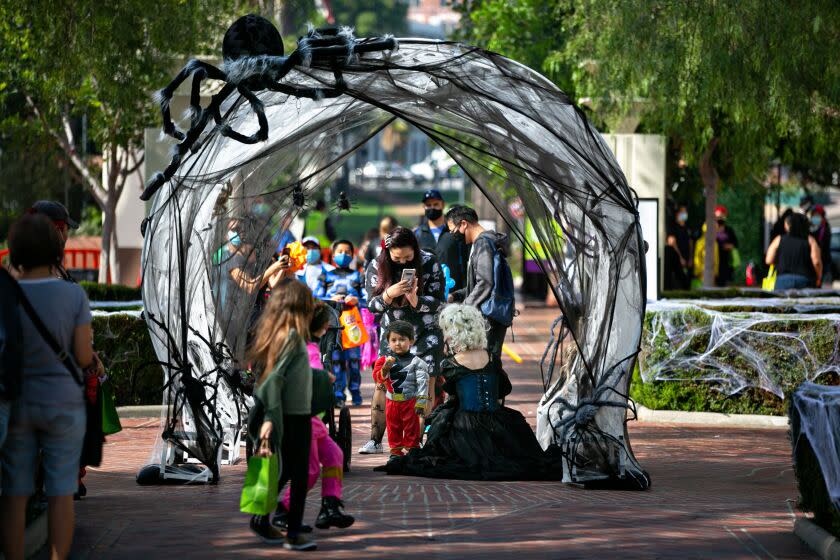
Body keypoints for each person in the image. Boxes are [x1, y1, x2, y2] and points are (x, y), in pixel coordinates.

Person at [1, 213, 94, 560]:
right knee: (60, 493)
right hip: (64, 405)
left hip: (19, 403)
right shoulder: (73, 296)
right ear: (57, 251)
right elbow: (83, 356)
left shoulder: (6, 295)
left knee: (14, 494)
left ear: (15, 252)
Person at [377, 305, 559, 481]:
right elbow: (503, 390)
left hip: (466, 430)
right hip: (500, 425)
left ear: (454, 333)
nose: (445, 336)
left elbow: (454, 397)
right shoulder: (491, 357)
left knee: (442, 435)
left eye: (447, 331)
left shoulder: (452, 363)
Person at [359, 227, 445, 455]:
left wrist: (416, 300)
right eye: (397, 259)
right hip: (394, 334)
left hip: (426, 333)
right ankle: (375, 440)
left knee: (426, 383)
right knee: (383, 381)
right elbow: (371, 306)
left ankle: (419, 442)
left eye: (408, 257)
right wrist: (390, 293)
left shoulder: (429, 262)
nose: (403, 262)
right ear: (388, 253)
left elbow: (439, 303)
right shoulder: (377, 266)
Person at [247, 279, 316, 551]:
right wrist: (270, 419)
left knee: (285, 471)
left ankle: (262, 519)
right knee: (297, 474)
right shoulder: (291, 338)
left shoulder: (280, 335)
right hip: (291, 417)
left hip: (290, 414)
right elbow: (274, 380)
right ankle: (293, 532)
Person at [273, 304, 354, 533]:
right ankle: (284, 511)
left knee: (335, 455)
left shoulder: (309, 347)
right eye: (325, 323)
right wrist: (323, 377)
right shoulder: (303, 349)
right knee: (309, 471)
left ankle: (329, 506)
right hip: (303, 418)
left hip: (313, 420)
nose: (328, 326)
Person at [445, 205, 511, 358]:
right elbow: (479, 281)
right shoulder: (484, 242)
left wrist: (464, 310)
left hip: (489, 317)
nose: (453, 235)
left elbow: (485, 283)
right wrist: (455, 296)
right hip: (491, 314)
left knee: (488, 363)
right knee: (489, 362)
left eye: (453, 230)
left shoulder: (483, 244)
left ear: (463, 224)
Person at [372, 321, 429, 460]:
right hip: (391, 401)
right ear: (388, 341)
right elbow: (378, 379)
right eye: (394, 340)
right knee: (393, 427)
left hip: (410, 401)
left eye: (402, 339)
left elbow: (423, 383)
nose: (398, 343)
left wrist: (421, 403)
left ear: (411, 341)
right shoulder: (383, 360)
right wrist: (386, 368)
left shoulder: (418, 362)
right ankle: (395, 453)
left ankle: (412, 451)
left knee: (412, 428)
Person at [324, 239, 366, 406]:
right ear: (333, 255)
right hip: (332, 324)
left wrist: (357, 300)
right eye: (339, 252)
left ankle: (355, 392)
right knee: (336, 360)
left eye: (347, 252)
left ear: (352, 254)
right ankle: (338, 394)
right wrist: (330, 299)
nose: (343, 255)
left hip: (352, 323)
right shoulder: (326, 275)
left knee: (354, 361)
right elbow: (317, 296)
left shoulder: (358, 275)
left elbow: (366, 297)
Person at [414, 189, 470, 292]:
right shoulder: (417, 234)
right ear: (424, 207)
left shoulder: (455, 230)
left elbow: (466, 258)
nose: (432, 207)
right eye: (428, 205)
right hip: (427, 293)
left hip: (454, 291)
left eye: (436, 204)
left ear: (443, 205)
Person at [765, 212, 822, 290]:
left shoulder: (779, 239)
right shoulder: (810, 240)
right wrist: (818, 277)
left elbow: (768, 260)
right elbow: (816, 262)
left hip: (782, 281)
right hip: (804, 280)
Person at [665, 204, 692, 290]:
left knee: (687, 279)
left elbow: (690, 242)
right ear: (677, 214)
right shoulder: (673, 226)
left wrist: (690, 258)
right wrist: (680, 257)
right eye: (682, 212)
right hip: (677, 257)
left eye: (685, 212)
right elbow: (672, 242)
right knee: (681, 278)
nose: (684, 214)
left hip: (687, 258)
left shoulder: (687, 227)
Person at [713, 205, 739, 287]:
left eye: (721, 216)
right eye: (717, 216)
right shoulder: (709, 229)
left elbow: (735, 244)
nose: (719, 219)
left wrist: (729, 246)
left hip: (725, 261)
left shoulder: (729, 230)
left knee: (723, 283)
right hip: (713, 260)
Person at [810, 205, 833, 287]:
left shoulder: (825, 228)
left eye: (817, 215)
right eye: (814, 215)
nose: (815, 218)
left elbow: (824, 245)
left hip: (824, 260)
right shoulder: (809, 227)